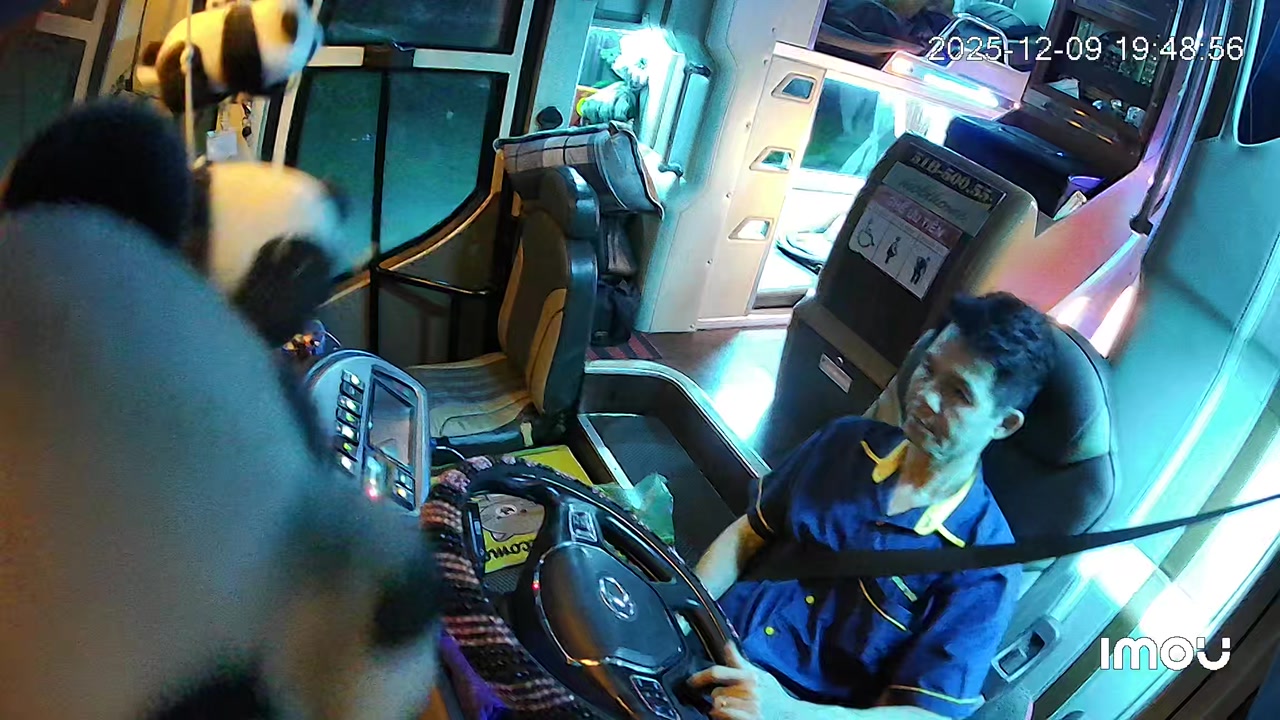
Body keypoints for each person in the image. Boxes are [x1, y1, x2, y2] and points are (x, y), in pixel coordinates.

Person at [689, 292, 1058, 719]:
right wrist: (686, 611)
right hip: (708, 646)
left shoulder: (985, 568)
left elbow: (924, 715)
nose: (927, 397)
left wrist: (786, 711)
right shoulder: (845, 442)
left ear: (1004, 424)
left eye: (958, 393)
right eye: (928, 369)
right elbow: (749, 533)